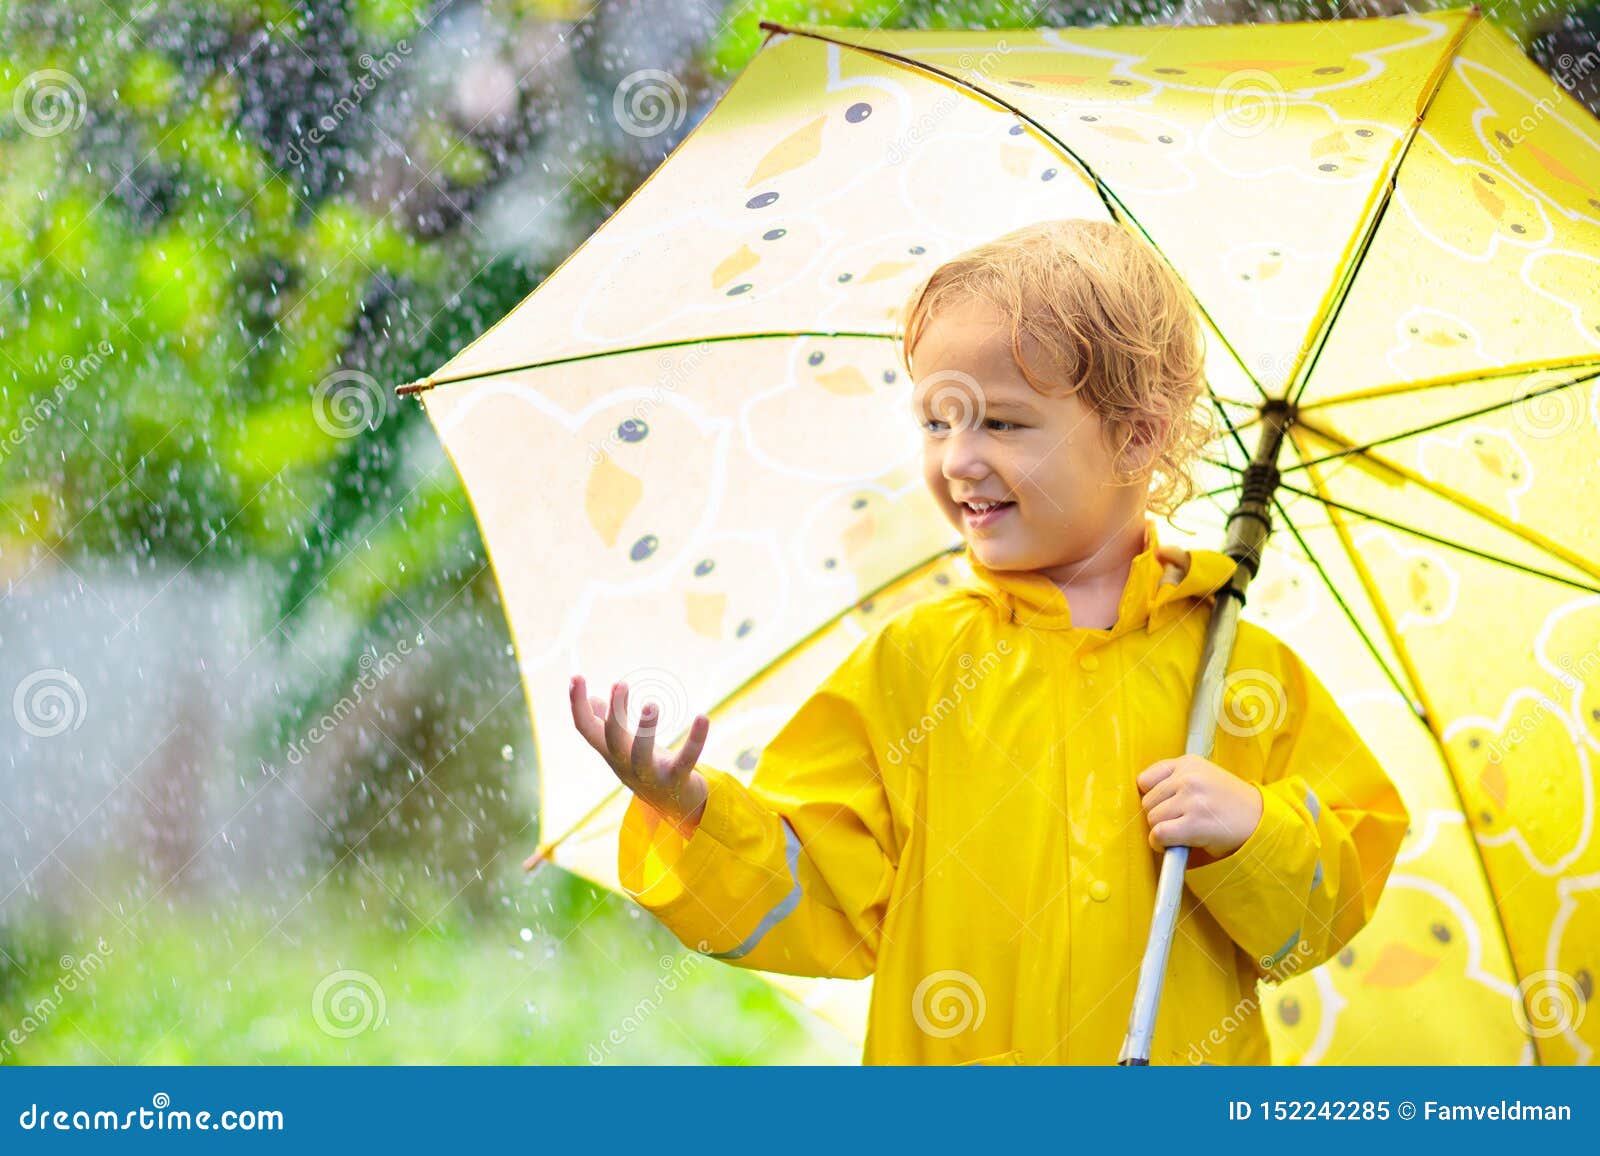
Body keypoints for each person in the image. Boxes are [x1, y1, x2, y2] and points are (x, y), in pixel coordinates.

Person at [567, 218, 1410, 1065]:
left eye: (1002, 425)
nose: (958, 461)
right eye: (938, 423)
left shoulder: (1240, 673)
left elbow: (1314, 924)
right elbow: (821, 894)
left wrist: (1252, 829)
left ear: (1137, 434)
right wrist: (694, 814)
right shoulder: (914, 669)